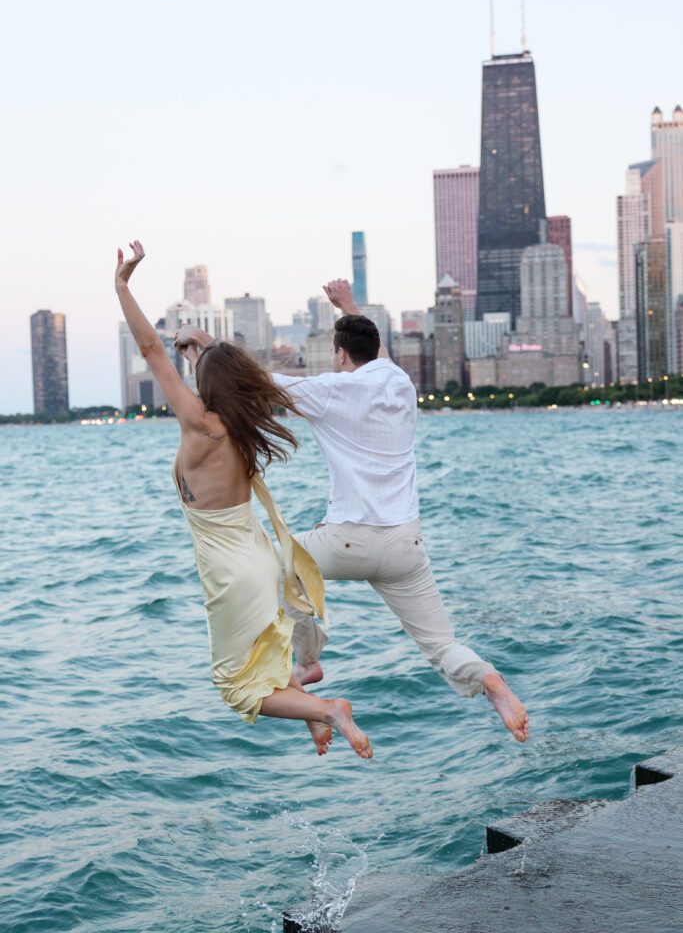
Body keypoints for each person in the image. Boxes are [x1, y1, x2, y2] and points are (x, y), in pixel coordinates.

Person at [177, 280, 529, 744]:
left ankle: (307, 664)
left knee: (277, 567)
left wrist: (201, 348)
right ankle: (488, 681)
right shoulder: (399, 382)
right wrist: (347, 307)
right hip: (406, 545)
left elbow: (248, 383)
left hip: (347, 540)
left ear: (340, 356)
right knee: (440, 644)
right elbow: (374, 350)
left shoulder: (329, 391)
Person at [115, 243, 372, 759]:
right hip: (258, 558)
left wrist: (122, 286)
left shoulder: (200, 426)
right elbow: (208, 373)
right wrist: (197, 348)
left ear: (203, 386)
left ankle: (328, 710)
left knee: (235, 686)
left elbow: (149, 353)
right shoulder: (239, 426)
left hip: (232, 571)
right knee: (261, 661)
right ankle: (311, 712)